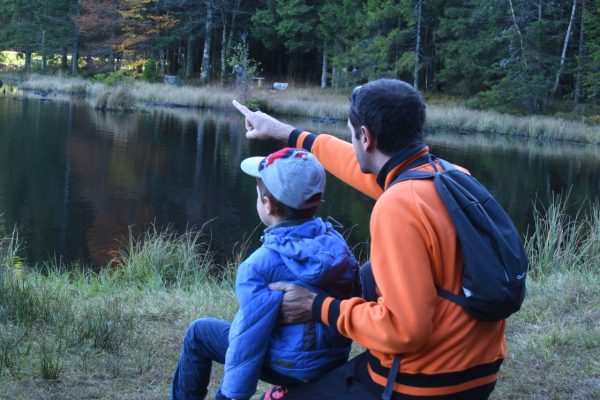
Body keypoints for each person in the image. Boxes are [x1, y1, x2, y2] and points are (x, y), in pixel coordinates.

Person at [232, 78, 506, 400]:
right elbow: (352, 163)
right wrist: (284, 132)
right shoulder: (447, 176)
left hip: (428, 382)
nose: (351, 141)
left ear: (365, 137)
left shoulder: (398, 206)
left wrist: (319, 306)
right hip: (479, 368)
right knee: (368, 274)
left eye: (351, 132)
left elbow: (406, 331)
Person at [171, 147, 360, 400]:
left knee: (199, 333)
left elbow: (248, 339)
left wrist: (229, 395)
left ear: (267, 205)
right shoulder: (338, 247)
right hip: (331, 360)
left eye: (258, 194)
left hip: (290, 366)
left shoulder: (258, 266)